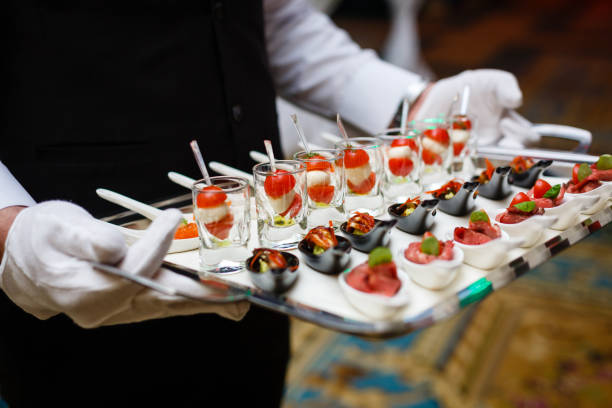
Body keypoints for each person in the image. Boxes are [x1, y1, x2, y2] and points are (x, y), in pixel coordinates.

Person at [0, 0, 538, 406]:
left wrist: (410, 101)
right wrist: (9, 227)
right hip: (77, 260)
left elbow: (274, 18)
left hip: (264, 257)